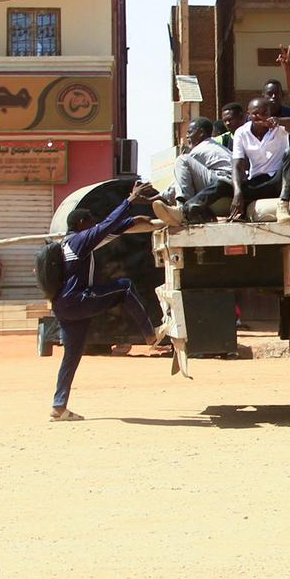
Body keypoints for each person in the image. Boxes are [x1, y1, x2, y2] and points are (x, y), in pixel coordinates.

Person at [49, 181, 160, 422]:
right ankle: (150, 335)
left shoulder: (67, 243)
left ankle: (59, 406)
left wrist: (135, 221)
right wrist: (129, 200)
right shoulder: (80, 240)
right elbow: (106, 226)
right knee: (125, 288)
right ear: (81, 224)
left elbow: (109, 231)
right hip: (78, 300)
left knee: (72, 356)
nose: (93, 224)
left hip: (63, 307)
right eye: (90, 220)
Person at [154, 117, 235, 225]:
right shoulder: (217, 147)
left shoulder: (201, 149)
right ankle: (197, 212)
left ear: (201, 132)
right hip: (230, 194)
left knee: (182, 160)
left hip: (222, 190)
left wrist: (156, 196)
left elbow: (177, 185)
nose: (187, 136)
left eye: (189, 132)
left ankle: (182, 210)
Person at [227, 97, 289, 222]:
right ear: (248, 114)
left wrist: (279, 121)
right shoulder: (241, 132)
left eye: (264, 113)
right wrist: (238, 192)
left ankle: (284, 203)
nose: (259, 117)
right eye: (255, 114)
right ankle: (188, 209)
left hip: (277, 181)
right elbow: (237, 164)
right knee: (221, 185)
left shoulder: (280, 129)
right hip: (256, 181)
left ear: (270, 113)